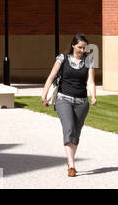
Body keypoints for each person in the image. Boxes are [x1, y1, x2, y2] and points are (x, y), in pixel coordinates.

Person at [41, 33, 97, 177]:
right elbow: (51, 76)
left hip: (82, 102)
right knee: (69, 128)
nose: (82, 50)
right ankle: (71, 165)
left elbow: (90, 81)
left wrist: (94, 96)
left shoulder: (89, 61)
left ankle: (70, 160)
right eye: (79, 47)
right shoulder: (62, 59)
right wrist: (44, 94)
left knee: (76, 133)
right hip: (63, 99)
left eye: (84, 48)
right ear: (73, 45)